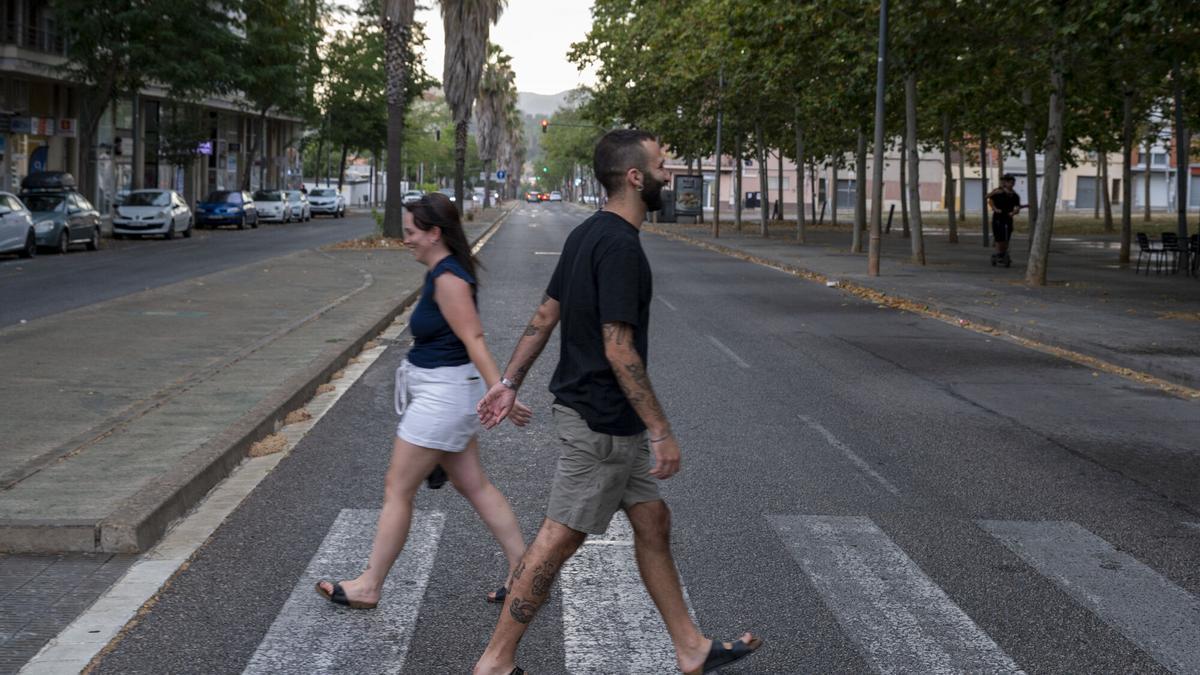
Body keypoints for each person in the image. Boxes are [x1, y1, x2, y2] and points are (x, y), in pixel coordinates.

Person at [473, 130, 762, 675]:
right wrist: (661, 429)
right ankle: (494, 662)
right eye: (660, 164)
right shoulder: (622, 247)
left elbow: (544, 315)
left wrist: (509, 381)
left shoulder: (587, 234)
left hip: (610, 424)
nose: (667, 173)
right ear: (635, 177)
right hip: (601, 423)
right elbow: (618, 346)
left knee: (653, 522)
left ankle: (690, 647)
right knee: (557, 541)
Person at [317, 192, 531, 610]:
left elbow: (475, 339)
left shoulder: (450, 279)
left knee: (398, 489)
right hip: (445, 392)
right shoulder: (441, 271)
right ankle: (523, 574)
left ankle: (369, 585)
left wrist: (500, 389)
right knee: (475, 486)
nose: (406, 239)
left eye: (412, 232)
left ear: (435, 233)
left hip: (442, 398)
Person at [988, 174, 1021, 265]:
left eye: (1013, 183)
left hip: (1008, 217)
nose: (1012, 184)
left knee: (1007, 237)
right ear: (1005, 183)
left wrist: (1014, 212)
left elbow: (1017, 207)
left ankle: (1003, 254)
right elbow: (989, 200)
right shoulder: (998, 192)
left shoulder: (1015, 196)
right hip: (998, 217)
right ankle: (999, 253)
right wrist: (995, 209)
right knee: (999, 238)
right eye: (1010, 183)